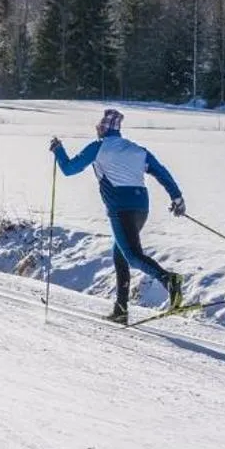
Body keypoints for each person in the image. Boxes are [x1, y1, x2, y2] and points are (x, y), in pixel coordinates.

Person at [51, 109, 187, 324]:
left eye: (99, 128)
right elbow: (161, 172)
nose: (97, 131)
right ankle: (121, 308)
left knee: (132, 256)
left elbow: (69, 169)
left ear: (103, 129)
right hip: (141, 207)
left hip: (120, 208)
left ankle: (169, 280)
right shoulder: (137, 149)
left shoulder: (98, 148)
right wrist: (177, 198)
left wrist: (58, 150)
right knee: (120, 255)